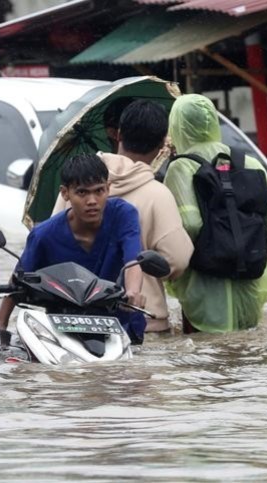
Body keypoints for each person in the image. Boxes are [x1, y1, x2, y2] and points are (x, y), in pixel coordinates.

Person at [53, 100, 193, 333]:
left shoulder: (75, 185)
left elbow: (54, 244)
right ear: (162, 146)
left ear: (118, 134)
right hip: (143, 322)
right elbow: (177, 260)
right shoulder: (158, 194)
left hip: (77, 320)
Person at [163, 94, 267, 333]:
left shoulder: (181, 167)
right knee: (248, 359)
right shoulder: (250, 162)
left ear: (178, 126)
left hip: (204, 289)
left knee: (206, 363)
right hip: (250, 285)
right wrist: (244, 245)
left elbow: (190, 224)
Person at [0, 153, 147, 344]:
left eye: (99, 191)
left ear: (108, 189)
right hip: (64, 330)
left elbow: (133, 261)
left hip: (120, 326)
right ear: (65, 193)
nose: (92, 201)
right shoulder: (44, 234)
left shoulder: (124, 215)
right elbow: (19, 281)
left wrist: (133, 292)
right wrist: (0, 322)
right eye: (82, 192)